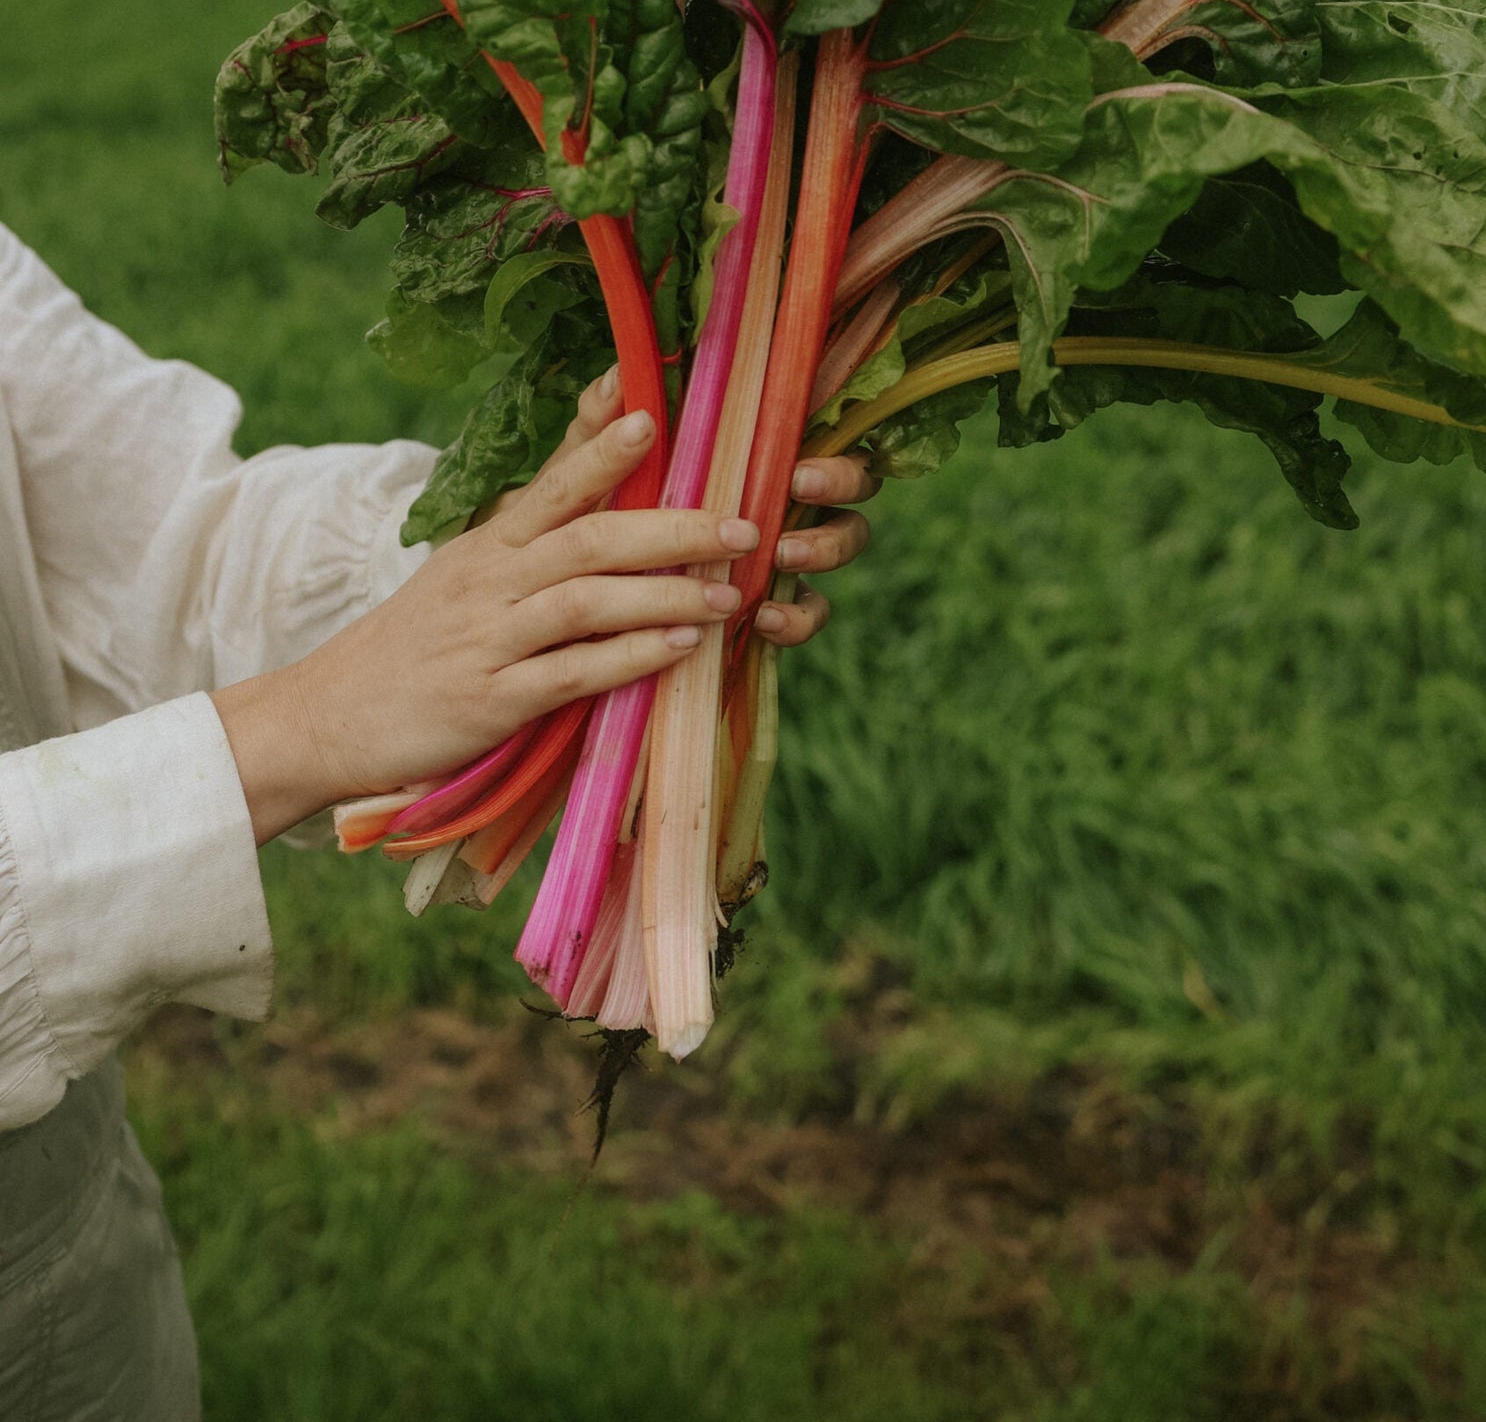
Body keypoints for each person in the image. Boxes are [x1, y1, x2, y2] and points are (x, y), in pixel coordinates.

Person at [0, 222, 875, 1419]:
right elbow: (298, 705)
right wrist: (298, 730)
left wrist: (547, 545)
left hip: (67, 1302)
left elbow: (174, 557)